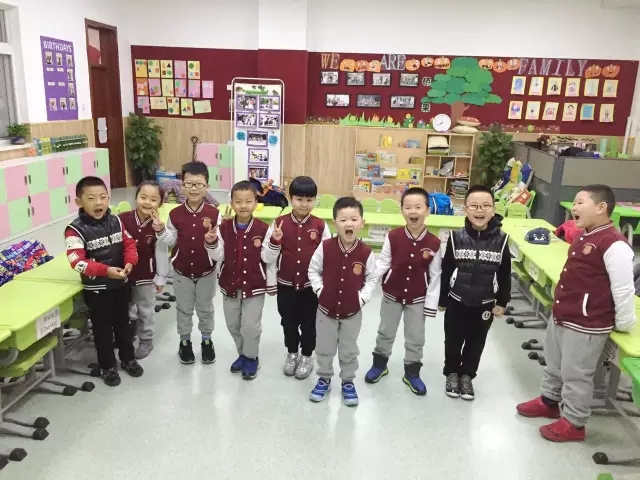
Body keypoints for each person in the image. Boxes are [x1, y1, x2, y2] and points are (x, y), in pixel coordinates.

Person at [517, 184, 636, 442]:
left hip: (587, 323)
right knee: (554, 363)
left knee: (576, 374)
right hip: (564, 313)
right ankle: (549, 401)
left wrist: (625, 322)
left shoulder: (615, 244)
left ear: (601, 207)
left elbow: (624, 289)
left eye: (581, 202)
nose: (574, 207)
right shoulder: (584, 235)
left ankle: (574, 422)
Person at [64, 176, 144, 386]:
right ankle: (108, 366)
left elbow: (129, 244)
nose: (98, 203)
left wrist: (130, 262)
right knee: (102, 330)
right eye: (91, 198)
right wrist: (105, 271)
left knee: (124, 325)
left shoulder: (116, 221)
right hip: (97, 289)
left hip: (120, 284)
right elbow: (77, 262)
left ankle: (128, 359)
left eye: (103, 197)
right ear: (79, 202)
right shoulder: (74, 230)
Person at [365, 187, 442, 396]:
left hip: (418, 298)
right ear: (402, 210)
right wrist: (366, 280)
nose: (413, 211)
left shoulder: (434, 243)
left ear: (427, 210)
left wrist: (431, 306)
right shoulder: (393, 236)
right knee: (385, 331)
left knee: (415, 337)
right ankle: (379, 365)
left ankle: (412, 373)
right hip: (392, 295)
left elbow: (435, 275)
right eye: (408, 207)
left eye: (418, 207)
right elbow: (383, 263)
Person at [439, 184, 511, 400]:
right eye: (474, 206)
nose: (480, 211)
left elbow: (505, 273)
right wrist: (443, 299)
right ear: (465, 209)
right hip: (457, 299)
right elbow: (446, 270)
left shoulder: (502, 240)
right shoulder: (455, 238)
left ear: (494, 209)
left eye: (485, 206)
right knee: (453, 339)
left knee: (476, 342)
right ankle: (452, 373)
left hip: (485, 302)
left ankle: (467, 376)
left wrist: (502, 302)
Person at [307, 197, 378, 406]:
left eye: (354, 219)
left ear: (362, 223)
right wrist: (320, 290)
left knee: (349, 349)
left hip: (352, 312)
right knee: (324, 347)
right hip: (325, 310)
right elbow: (313, 270)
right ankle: (324, 378)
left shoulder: (366, 253)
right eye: (343, 219)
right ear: (335, 223)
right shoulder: (325, 247)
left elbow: (372, 278)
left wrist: (362, 298)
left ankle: (348, 381)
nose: (349, 224)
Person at [206, 181, 277, 380]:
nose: (243, 206)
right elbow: (218, 256)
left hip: (254, 287)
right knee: (233, 325)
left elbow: (268, 258)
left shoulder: (264, 229)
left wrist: (275, 242)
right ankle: (243, 354)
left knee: (250, 326)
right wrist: (211, 242)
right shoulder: (223, 228)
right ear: (231, 203)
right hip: (229, 286)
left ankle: (251, 358)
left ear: (256, 203)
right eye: (238, 201)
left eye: (248, 201)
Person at [263, 176, 331, 379]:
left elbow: (328, 257)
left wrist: (325, 286)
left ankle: (307, 355)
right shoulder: (279, 223)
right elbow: (267, 257)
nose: (304, 204)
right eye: (299, 199)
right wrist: (275, 241)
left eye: (309, 200)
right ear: (290, 198)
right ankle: (292, 353)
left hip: (311, 287)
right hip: (286, 285)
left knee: (310, 324)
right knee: (288, 323)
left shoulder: (320, 226)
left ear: (315, 200)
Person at [155, 161, 220, 365]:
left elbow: (219, 245)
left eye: (199, 184)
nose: (194, 188)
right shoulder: (175, 214)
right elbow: (172, 241)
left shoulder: (214, 213)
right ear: (182, 186)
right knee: (184, 309)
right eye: (189, 184)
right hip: (181, 271)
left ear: (207, 187)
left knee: (205, 308)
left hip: (206, 271)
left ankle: (207, 341)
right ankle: (185, 342)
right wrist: (161, 231)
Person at [119, 181, 170, 359]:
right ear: (136, 198)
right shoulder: (122, 219)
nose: (147, 202)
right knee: (125, 305)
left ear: (160, 203)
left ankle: (146, 340)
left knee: (145, 309)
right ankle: (130, 331)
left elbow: (161, 252)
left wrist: (161, 277)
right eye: (143, 197)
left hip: (146, 275)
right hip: (123, 273)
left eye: (153, 199)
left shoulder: (158, 226)